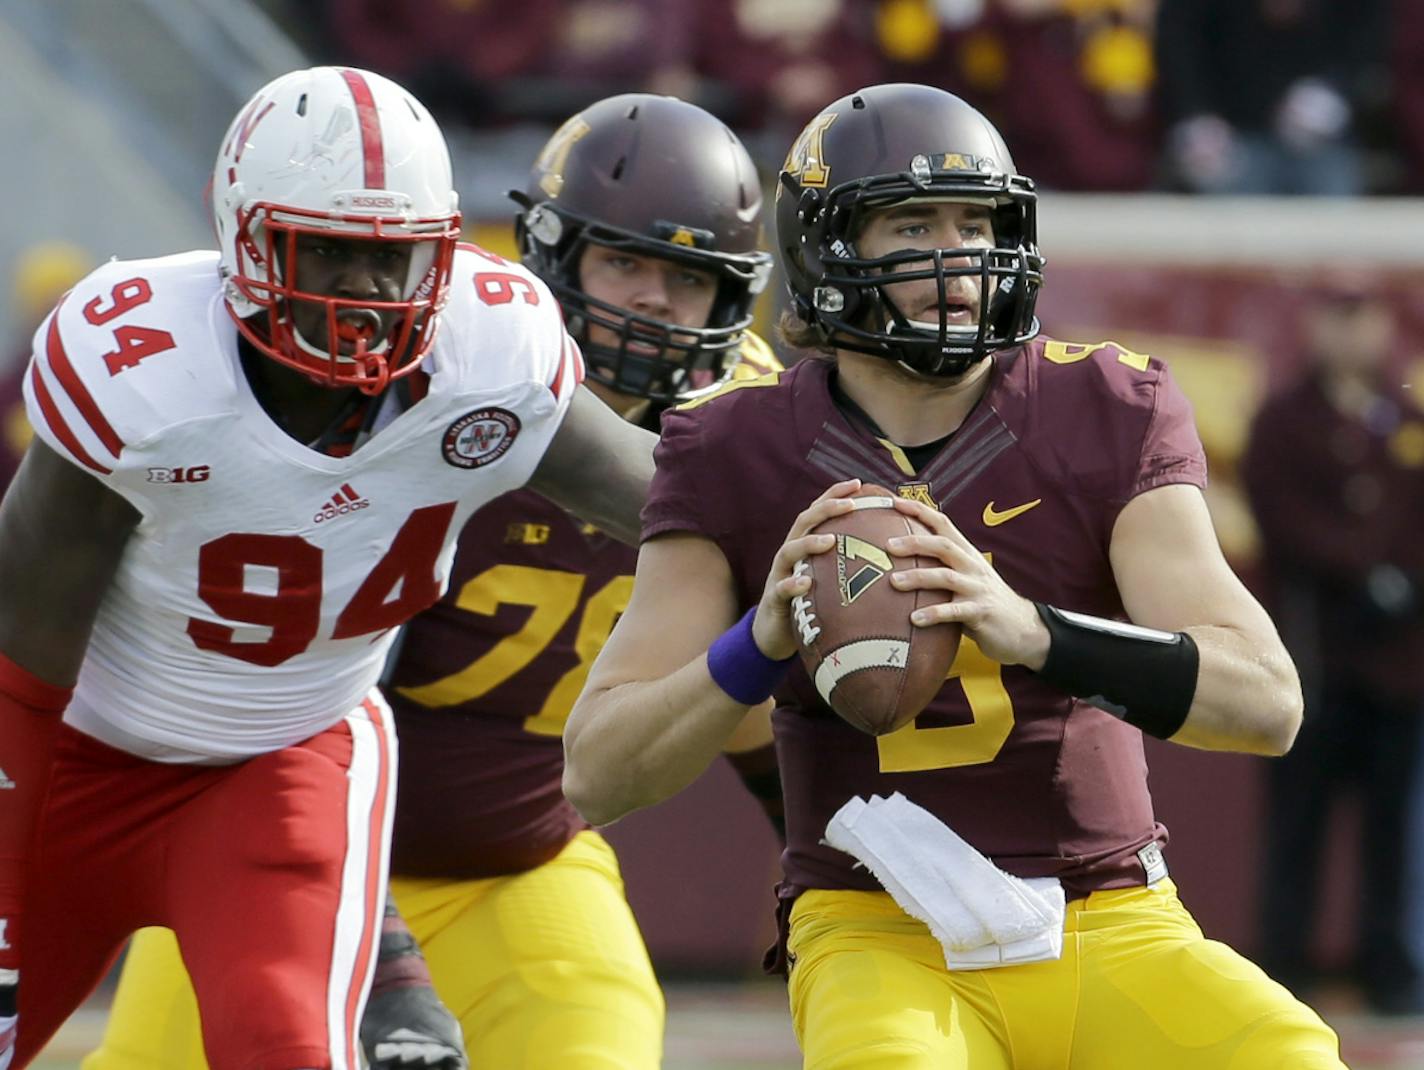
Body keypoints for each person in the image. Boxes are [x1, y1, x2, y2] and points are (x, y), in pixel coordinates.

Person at [562, 83, 1351, 1068]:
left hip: (1107, 914)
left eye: (975, 221)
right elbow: (594, 770)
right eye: (910, 221)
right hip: (874, 929)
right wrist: (756, 641)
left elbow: (1266, 703)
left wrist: (1039, 632)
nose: (958, 256)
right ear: (826, 247)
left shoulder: (1106, 404)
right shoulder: (733, 446)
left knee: (1287, 1054)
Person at [79, 93, 782, 1070]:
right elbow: (275, 699)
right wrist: (382, 951)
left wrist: (837, 854)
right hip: (274, 844)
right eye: (623, 260)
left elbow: (746, 692)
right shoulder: (442, 384)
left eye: (684, 274)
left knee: (599, 1036)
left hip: (522, 862)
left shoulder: (744, 427)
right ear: (554, 256)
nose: (653, 300)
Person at [1243, 277, 1424, 1015]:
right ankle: (1284, 970)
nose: (1351, 333)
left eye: (1364, 314)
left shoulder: (1408, 418)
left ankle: (1391, 968)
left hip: (1399, 666)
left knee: (1394, 830)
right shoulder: (1283, 421)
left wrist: (1403, 577)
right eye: (1337, 314)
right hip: (1312, 662)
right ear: (1314, 324)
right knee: (1297, 827)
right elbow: (1281, 516)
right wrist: (1362, 567)